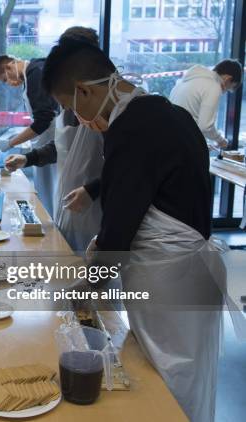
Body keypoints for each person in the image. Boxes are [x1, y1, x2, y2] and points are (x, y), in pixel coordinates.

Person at [41, 39, 225, 422]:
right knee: (183, 371)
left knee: (167, 378)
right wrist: (96, 193)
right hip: (187, 273)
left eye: (70, 108)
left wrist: (86, 288)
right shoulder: (160, 112)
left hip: (170, 277)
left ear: (85, 91)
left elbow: (119, 233)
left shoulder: (132, 128)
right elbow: (144, 181)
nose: (76, 119)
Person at [4, 27, 104, 251]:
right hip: (71, 200)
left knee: (97, 275)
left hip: (99, 210)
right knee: (68, 265)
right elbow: (63, 144)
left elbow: (129, 167)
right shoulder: (73, 99)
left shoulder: (109, 105)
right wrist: (27, 159)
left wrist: (94, 189)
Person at [0, 54, 58, 216]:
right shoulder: (30, 75)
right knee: (45, 193)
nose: (9, 84)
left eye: (5, 80)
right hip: (45, 140)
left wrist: (11, 143)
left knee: (51, 195)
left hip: (52, 139)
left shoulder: (35, 73)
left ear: (8, 67)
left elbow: (43, 120)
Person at [170, 58, 243, 150]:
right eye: (228, 88)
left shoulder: (185, 81)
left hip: (173, 140)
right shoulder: (213, 86)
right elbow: (206, 126)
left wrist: (201, 143)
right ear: (228, 78)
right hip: (184, 145)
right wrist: (220, 140)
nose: (224, 92)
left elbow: (191, 116)